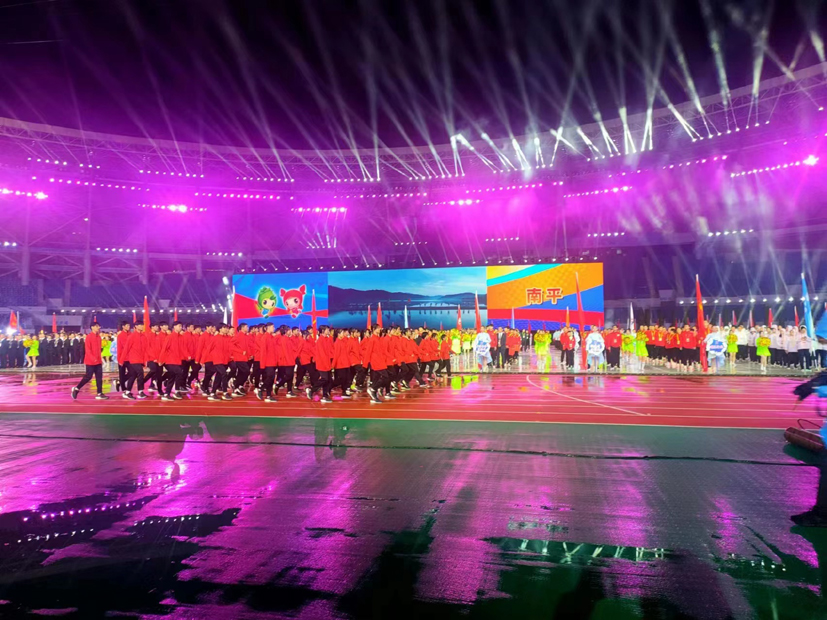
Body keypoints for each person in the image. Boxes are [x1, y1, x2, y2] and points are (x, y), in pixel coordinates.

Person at [71, 322, 108, 400]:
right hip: (90, 361)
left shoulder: (99, 337)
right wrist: (93, 358)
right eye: (97, 326)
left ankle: (99, 393)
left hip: (98, 361)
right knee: (88, 377)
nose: (98, 328)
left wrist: (100, 358)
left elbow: (99, 349)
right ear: (92, 327)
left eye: (99, 326)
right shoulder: (89, 337)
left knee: (99, 377)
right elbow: (88, 350)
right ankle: (76, 388)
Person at [160, 321, 186, 401]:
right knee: (179, 373)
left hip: (178, 361)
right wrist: (161, 360)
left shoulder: (181, 337)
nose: (180, 327)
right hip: (170, 361)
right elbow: (164, 348)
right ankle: (177, 390)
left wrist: (186, 356)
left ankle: (166, 394)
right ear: (174, 327)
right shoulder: (170, 337)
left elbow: (182, 349)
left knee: (172, 377)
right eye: (179, 326)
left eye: (181, 326)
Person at [121, 322, 148, 399]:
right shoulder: (132, 336)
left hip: (140, 359)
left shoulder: (144, 336)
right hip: (133, 359)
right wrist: (121, 360)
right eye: (140, 325)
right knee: (140, 373)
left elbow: (145, 350)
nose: (142, 326)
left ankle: (127, 392)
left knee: (133, 375)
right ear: (136, 326)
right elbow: (126, 348)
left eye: (142, 325)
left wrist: (145, 361)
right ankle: (140, 391)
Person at [308, 325, 334, 403]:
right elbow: (321, 354)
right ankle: (312, 390)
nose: (328, 331)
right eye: (327, 330)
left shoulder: (327, 339)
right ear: (323, 331)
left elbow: (330, 351)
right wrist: (326, 363)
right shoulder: (320, 340)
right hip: (322, 363)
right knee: (324, 378)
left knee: (328, 380)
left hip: (327, 362)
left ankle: (325, 396)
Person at [115, 322, 131, 390]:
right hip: (122, 357)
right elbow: (122, 347)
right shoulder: (121, 335)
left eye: (129, 325)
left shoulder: (131, 334)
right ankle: (124, 388)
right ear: (123, 326)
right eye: (127, 325)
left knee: (132, 372)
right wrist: (119, 359)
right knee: (122, 373)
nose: (128, 327)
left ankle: (119, 382)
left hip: (130, 357)